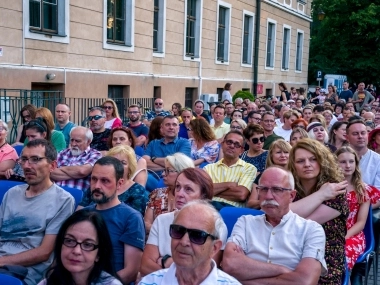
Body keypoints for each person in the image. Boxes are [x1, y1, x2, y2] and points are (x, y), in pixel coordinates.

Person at [222, 167, 327, 284]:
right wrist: (283, 270)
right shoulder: (245, 222)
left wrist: (244, 277)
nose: (268, 196)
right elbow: (230, 264)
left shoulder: (311, 230)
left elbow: (305, 281)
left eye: (277, 189)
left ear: (291, 196)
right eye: (263, 189)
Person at [0, 139, 75, 285]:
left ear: (52, 165)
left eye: (35, 159)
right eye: (24, 159)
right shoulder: (12, 193)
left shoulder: (63, 200)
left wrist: (2, 261)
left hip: (23, 272)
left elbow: (44, 252)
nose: (27, 166)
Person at [140, 169, 228, 275]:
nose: (180, 194)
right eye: (178, 187)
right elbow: (145, 266)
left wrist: (166, 261)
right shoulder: (161, 220)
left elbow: (204, 273)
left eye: (188, 189)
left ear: (203, 196)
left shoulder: (217, 226)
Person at [288, 138, 349, 284]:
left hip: (325, 261)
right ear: (293, 165)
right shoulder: (290, 188)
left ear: (321, 161)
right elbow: (281, 215)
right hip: (289, 255)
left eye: (313, 159)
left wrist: (288, 213)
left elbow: (298, 224)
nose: (307, 165)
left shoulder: (336, 189)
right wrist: (321, 195)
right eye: (300, 161)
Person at [140, 200, 239, 285]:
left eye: (197, 236)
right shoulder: (149, 282)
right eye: (178, 230)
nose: (184, 242)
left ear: (214, 248)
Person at [85, 156, 145, 284]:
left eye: (105, 181)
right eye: (94, 179)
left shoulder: (131, 218)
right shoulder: (82, 214)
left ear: (120, 184)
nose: (97, 186)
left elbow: (131, 271)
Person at [38, 210, 122, 285]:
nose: (76, 251)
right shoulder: (47, 282)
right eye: (70, 241)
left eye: (88, 244)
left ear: (99, 254)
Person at [335, 147, 376, 271]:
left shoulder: (362, 190)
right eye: (342, 162)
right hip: (331, 232)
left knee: (341, 255)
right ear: (335, 163)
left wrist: (344, 236)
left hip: (353, 235)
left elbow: (361, 222)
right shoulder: (330, 187)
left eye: (351, 161)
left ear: (356, 164)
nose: (348, 165)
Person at [204, 131, 257, 210]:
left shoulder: (249, 168)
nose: (232, 146)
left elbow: (241, 195)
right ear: (222, 144)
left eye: (236, 144)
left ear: (241, 150)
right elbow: (203, 192)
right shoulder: (208, 168)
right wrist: (229, 184)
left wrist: (213, 191)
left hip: (232, 210)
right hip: (209, 208)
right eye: (229, 142)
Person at [144, 153, 194, 233]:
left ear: (181, 172)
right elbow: (146, 224)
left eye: (168, 171)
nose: (163, 174)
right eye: (164, 170)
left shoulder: (190, 198)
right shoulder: (157, 194)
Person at [50, 126, 102, 193]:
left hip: (79, 198)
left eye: (77, 141)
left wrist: (60, 169)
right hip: (56, 195)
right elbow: (50, 172)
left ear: (88, 142)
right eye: (72, 140)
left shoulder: (95, 154)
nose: (73, 144)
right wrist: (76, 174)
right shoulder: (62, 153)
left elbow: (82, 171)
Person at [143, 115, 191, 180]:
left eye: (174, 125)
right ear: (162, 128)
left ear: (178, 128)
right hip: (153, 179)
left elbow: (180, 163)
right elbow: (145, 162)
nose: (171, 127)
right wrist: (170, 168)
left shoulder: (184, 143)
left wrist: (154, 159)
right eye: (167, 125)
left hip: (175, 180)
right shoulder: (153, 143)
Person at [107, 146, 148, 216]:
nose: (118, 165)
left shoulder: (138, 190)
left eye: (123, 163)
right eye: (114, 161)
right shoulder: (98, 184)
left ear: (130, 167)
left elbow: (135, 219)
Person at [345, 119, 380, 188]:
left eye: (363, 133)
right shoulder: (338, 158)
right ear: (347, 137)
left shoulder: (378, 160)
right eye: (355, 133)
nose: (360, 136)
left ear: (367, 135)